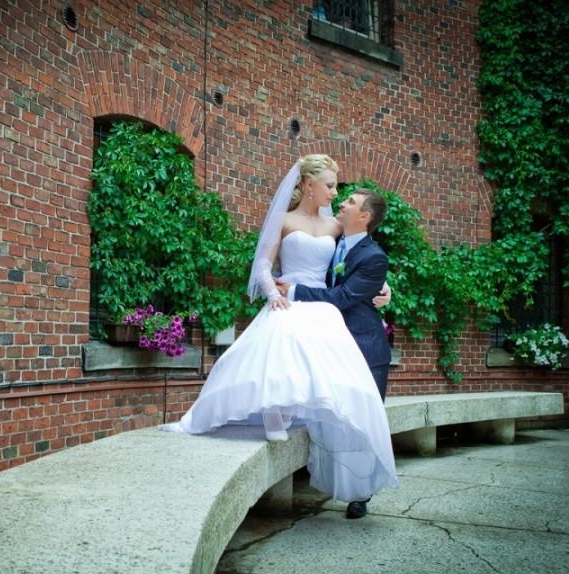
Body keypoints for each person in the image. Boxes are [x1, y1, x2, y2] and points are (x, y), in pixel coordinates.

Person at [162, 155, 398, 516]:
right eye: (331, 185)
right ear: (309, 184)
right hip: (287, 298)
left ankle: (355, 485)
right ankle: (275, 410)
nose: (337, 194)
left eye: (340, 190)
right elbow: (262, 263)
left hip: (321, 306)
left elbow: (359, 259)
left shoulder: (336, 226)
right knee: (279, 349)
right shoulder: (285, 220)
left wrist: (384, 288)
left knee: (329, 374)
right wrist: (273, 293)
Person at [275, 185, 392, 519]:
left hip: (365, 346)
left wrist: (294, 291)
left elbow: (343, 296)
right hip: (330, 342)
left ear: (364, 216)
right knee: (336, 417)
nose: (342, 202)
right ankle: (335, 478)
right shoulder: (334, 239)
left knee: (363, 422)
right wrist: (385, 287)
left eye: (351, 201)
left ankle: (361, 493)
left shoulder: (374, 256)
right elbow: (313, 265)